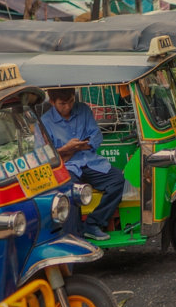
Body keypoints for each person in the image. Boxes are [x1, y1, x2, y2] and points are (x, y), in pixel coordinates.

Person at [41, 87, 125, 241]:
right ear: (52, 102)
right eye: (62, 104)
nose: (68, 107)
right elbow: (43, 155)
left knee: (118, 179)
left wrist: (72, 150)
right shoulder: (45, 122)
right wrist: (65, 149)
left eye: (71, 101)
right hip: (68, 168)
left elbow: (96, 137)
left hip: (91, 162)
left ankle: (93, 224)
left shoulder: (83, 110)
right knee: (70, 190)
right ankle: (75, 234)